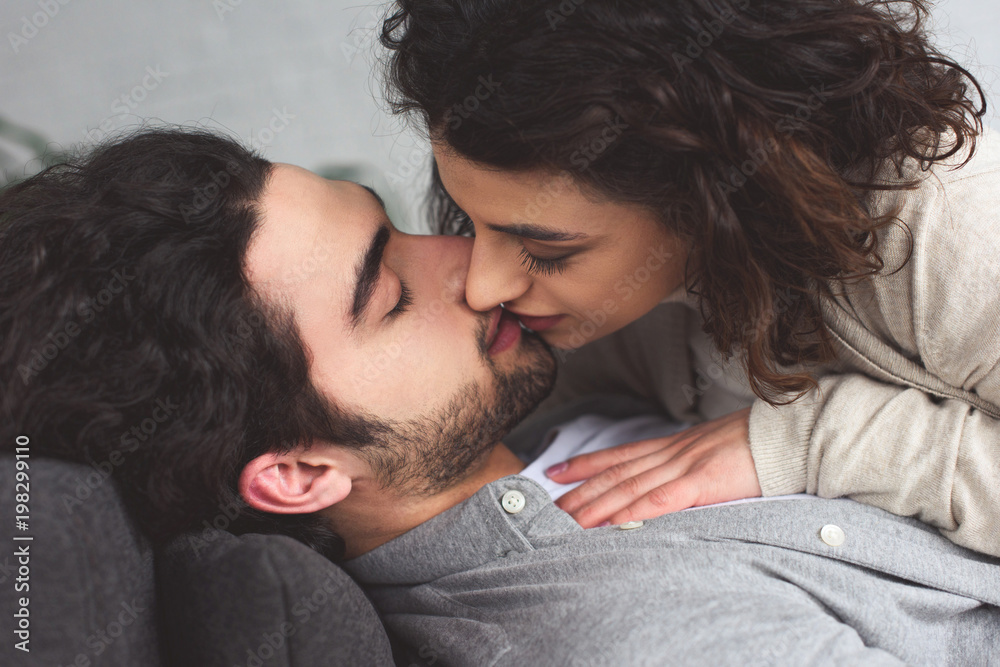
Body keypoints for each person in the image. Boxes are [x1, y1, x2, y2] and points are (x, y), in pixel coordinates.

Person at [2, 129, 998, 665]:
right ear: (302, 472)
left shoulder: (584, 379)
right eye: (390, 297)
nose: (474, 272)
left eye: (397, 227)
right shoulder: (622, 638)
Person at [378, 0, 1000, 556]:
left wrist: (809, 441)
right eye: (470, 219)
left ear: (708, 193)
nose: (484, 287)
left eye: (545, 249)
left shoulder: (948, 224)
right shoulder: (590, 316)